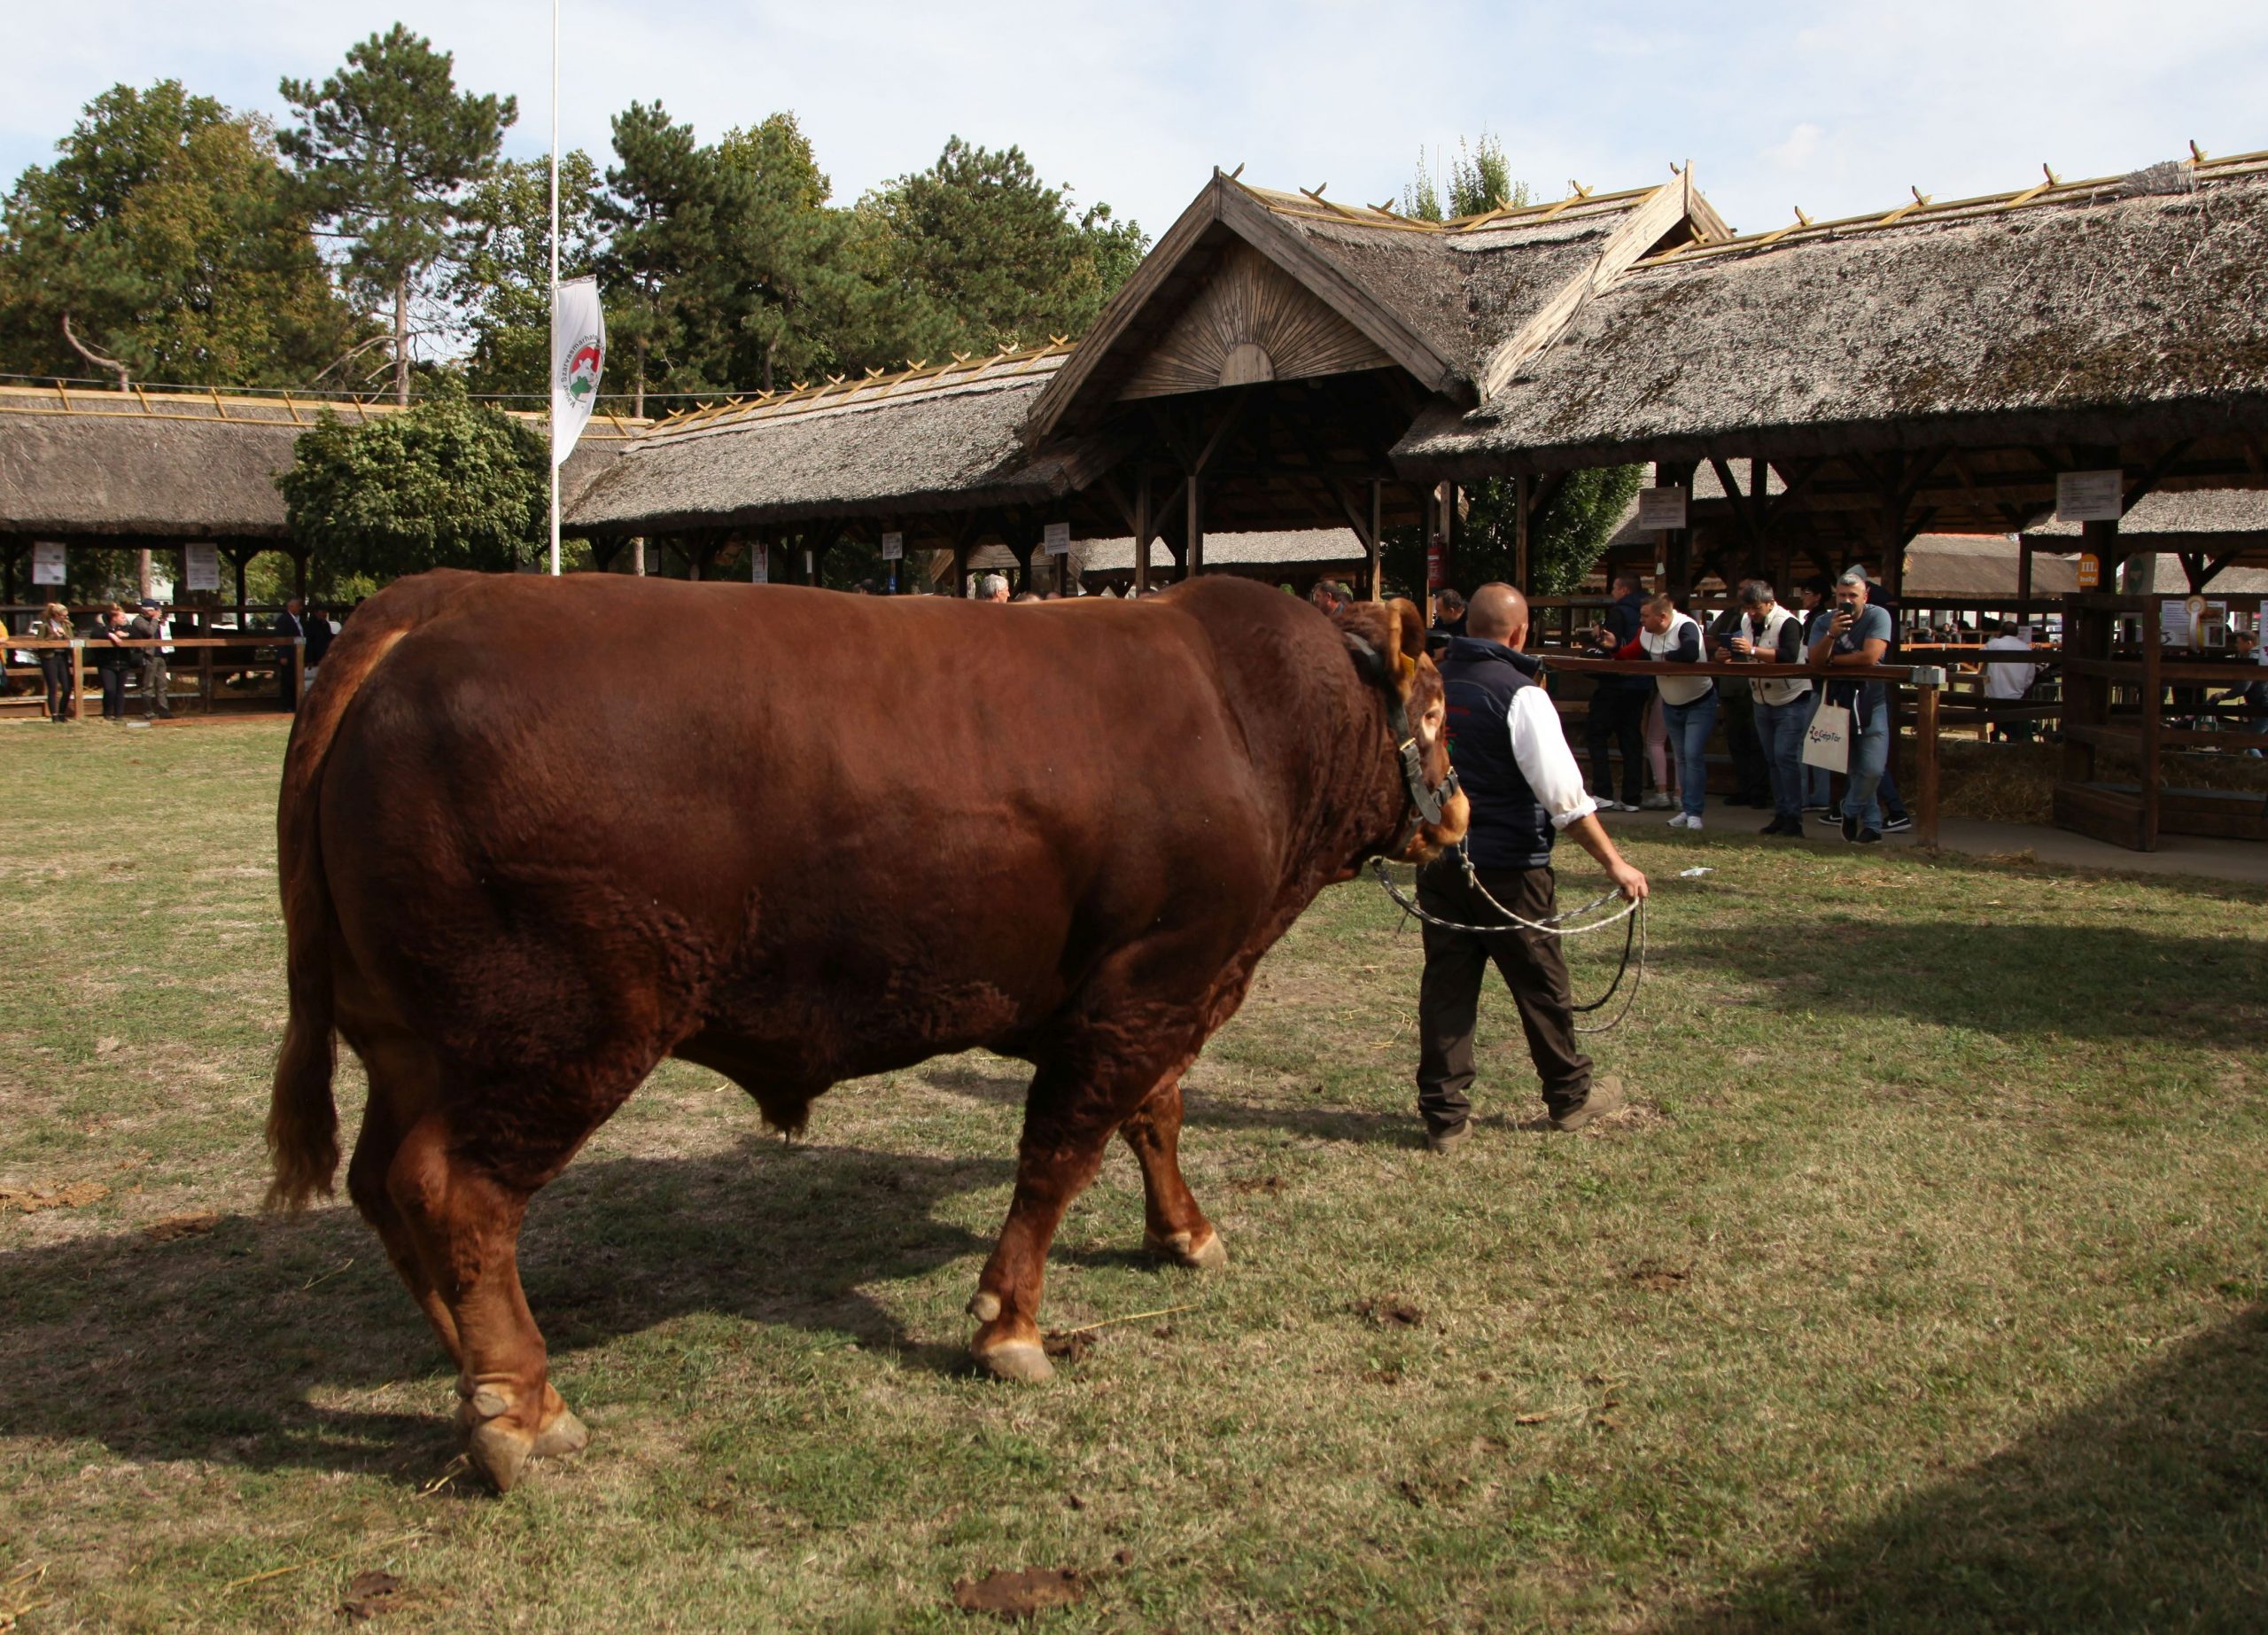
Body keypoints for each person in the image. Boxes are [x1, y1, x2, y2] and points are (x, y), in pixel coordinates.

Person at [1417, 583, 1649, 1152]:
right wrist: (1615, 863)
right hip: (1511, 869)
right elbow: (1565, 799)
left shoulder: (1432, 687)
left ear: (1467, 625)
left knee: (1447, 985)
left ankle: (1446, 1118)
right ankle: (1570, 1098)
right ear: (1518, 633)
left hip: (1441, 863)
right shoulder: (1522, 695)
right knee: (1541, 983)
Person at [1613, 594, 1715, 829]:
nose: (1641, 621)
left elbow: (1689, 654)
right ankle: (1688, 810)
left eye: (1645, 616)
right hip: (1672, 702)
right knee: (1681, 757)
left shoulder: (1685, 626)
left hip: (1699, 701)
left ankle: (1695, 813)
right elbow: (1629, 653)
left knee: (1692, 756)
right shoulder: (1647, 633)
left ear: (1663, 617)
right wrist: (1610, 647)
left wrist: (1665, 657)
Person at [1808, 569, 1892, 843]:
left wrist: (1832, 662)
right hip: (1838, 700)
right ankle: (1872, 827)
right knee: (1854, 767)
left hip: (1871, 700)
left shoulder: (1877, 616)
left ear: (1864, 596)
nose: (1846, 601)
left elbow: (1870, 656)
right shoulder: (1823, 622)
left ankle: (1850, 808)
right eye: (1841, 596)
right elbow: (1815, 660)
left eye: (1852, 596)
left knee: (1873, 768)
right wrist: (1831, 636)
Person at [1723, 580, 1811, 834]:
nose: (1751, 613)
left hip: (1790, 698)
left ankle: (1794, 816)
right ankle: (1782, 813)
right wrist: (1730, 656)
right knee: (1772, 758)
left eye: (1756, 608)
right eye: (1748, 608)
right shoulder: (1745, 622)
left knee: (1785, 757)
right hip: (1762, 698)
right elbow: (1748, 655)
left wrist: (1750, 649)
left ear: (1771, 603)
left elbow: (1789, 656)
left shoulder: (1788, 622)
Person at [1581, 571, 1651, 812]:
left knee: (1596, 734)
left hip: (1614, 684)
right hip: (1641, 683)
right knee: (1631, 737)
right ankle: (1632, 797)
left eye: (1613, 589)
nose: (1611, 594)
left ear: (1623, 590)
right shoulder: (1647, 614)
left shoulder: (1619, 613)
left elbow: (1609, 647)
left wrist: (1595, 638)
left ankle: (1603, 791)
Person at [1706, 601, 1774, 808]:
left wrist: (1751, 649)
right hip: (1731, 686)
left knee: (1758, 741)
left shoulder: (1773, 621)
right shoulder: (1730, 615)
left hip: (1757, 687)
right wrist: (1721, 650)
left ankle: (1760, 792)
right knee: (1737, 740)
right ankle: (1743, 788)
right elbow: (1709, 640)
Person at [1981, 620, 2041, 743]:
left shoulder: (1993, 644)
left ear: (2001, 631)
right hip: (2016, 695)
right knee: (2014, 728)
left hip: (1995, 694)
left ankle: (1994, 742)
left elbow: (1980, 657)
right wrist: (2021, 688)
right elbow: (2030, 676)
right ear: (2017, 633)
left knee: (1995, 725)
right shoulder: (2025, 648)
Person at [128, 596, 171, 720]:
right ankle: (148, 712)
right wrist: (155, 619)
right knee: (148, 685)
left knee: (162, 685)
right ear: (146, 610)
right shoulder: (138, 620)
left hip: (160, 655)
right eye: (154, 609)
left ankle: (164, 710)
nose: (157, 612)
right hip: (148, 655)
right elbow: (148, 632)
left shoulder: (155, 621)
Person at [32, 602, 74, 722]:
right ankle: (54, 715)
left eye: (66, 616)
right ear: (55, 615)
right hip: (50, 657)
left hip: (63, 656)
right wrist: (54, 635)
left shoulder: (66, 625)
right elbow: (39, 643)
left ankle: (62, 712)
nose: (65, 618)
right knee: (53, 687)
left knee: (67, 687)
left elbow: (71, 640)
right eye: (63, 616)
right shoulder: (44, 626)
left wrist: (64, 634)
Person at [91, 604, 132, 720]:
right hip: (107, 664)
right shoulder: (102, 628)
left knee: (120, 690)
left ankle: (119, 715)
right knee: (110, 689)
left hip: (123, 663)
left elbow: (137, 634)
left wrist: (126, 635)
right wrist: (110, 635)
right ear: (114, 618)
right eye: (122, 617)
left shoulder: (127, 628)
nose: (124, 619)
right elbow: (94, 634)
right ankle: (107, 713)